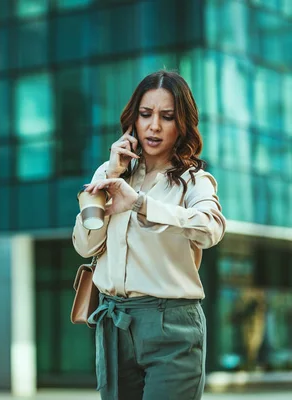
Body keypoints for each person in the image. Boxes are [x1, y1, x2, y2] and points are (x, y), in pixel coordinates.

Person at [72, 70, 226, 400]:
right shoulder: (110, 173)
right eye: (145, 115)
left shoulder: (193, 180)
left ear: (180, 124)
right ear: (133, 121)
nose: (154, 126)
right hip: (114, 324)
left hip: (171, 326)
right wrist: (110, 177)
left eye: (166, 117)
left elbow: (211, 228)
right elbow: (85, 245)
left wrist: (141, 204)